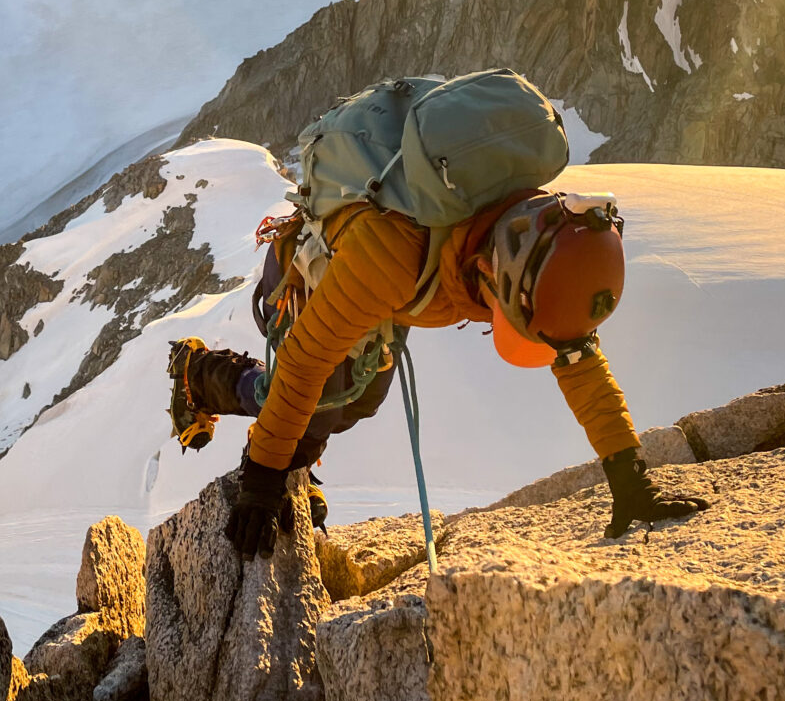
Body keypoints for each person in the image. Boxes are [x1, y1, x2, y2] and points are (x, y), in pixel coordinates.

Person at [169, 183, 709, 554]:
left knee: (363, 397)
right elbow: (305, 364)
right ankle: (198, 371)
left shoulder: (548, 242)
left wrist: (630, 478)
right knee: (311, 391)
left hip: (392, 296)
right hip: (317, 275)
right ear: (488, 275)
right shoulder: (395, 255)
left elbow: (576, 355)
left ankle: (299, 458)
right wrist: (261, 483)